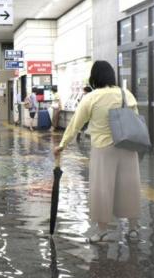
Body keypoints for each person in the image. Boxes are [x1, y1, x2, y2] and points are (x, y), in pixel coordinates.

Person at [54, 61, 141, 242]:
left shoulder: (92, 98)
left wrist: (62, 144)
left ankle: (102, 231)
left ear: (94, 77)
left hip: (103, 149)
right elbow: (136, 121)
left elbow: (75, 124)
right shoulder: (127, 94)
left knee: (102, 188)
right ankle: (133, 229)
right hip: (128, 146)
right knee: (129, 186)